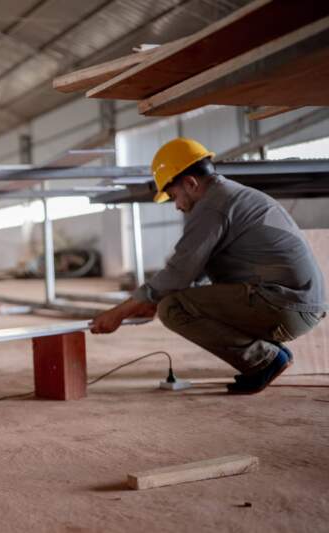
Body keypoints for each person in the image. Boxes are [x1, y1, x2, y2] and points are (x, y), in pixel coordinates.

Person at [90, 138, 326, 394]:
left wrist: (119, 312)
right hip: (293, 304)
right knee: (172, 300)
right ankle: (267, 355)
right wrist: (149, 301)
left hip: (285, 306)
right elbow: (194, 274)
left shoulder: (213, 207)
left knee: (173, 308)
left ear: (190, 183)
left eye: (174, 196)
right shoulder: (227, 197)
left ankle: (263, 360)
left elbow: (177, 273)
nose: (178, 206)